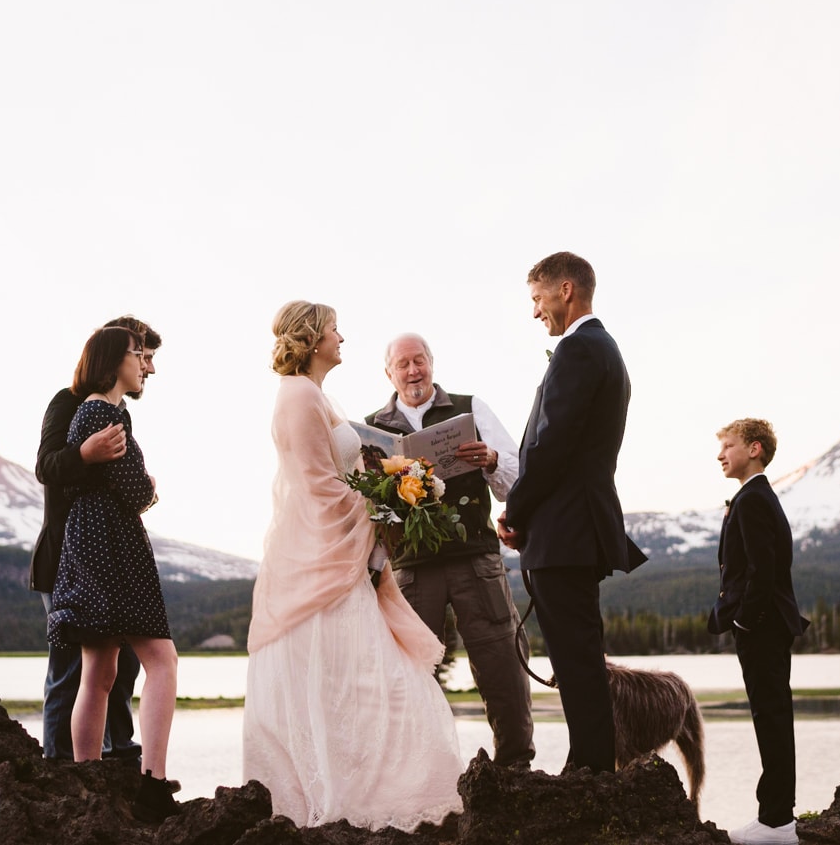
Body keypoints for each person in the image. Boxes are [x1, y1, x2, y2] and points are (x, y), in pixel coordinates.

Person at [243, 302, 463, 830]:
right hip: (323, 566)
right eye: (334, 329)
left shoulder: (313, 393)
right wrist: (385, 508)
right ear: (313, 338)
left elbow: (338, 476)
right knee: (368, 680)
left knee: (371, 681)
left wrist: (393, 489)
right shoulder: (298, 396)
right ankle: (358, 797)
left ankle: (383, 791)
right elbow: (319, 487)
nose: (342, 337)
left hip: (341, 560)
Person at [497, 251, 645, 774]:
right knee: (578, 659)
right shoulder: (602, 349)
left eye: (537, 299)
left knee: (576, 660)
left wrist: (516, 509)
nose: (535, 312)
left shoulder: (580, 349)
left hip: (566, 530)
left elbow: (550, 445)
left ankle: (592, 774)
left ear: (565, 290)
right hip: (573, 527)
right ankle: (587, 765)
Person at [365, 333, 534, 769]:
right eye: (402, 364)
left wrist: (492, 459)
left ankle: (515, 767)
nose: (412, 371)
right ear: (389, 373)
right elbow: (365, 510)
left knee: (500, 658)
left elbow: (518, 477)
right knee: (411, 673)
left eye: (419, 360)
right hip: (410, 569)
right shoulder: (370, 428)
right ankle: (422, 774)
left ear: (432, 363)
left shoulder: (471, 407)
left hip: (474, 558)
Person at [46, 325, 179, 822]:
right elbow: (136, 492)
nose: (142, 363)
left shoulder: (90, 411)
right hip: (114, 547)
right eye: (135, 354)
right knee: (162, 661)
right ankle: (154, 781)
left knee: (97, 673)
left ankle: (87, 778)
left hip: (86, 545)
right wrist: (148, 486)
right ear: (112, 362)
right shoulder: (104, 412)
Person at [31, 316, 161, 764]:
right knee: (70, 674)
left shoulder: (116, 412)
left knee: (118, 672)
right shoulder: (71, 403)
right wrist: (85, 456)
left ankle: (115, 765)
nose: (150, 368)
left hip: (110, 562)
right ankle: (63, 776)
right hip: (68, 559)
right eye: (143, 355)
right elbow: (47, 467)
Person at [708, 419, 809, 845]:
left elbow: (762, 570)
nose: (720, 455)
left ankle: (776, 823)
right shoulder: (758, 497)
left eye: (727, 446)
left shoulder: (752, 500)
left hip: (761, 627)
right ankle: (775, 817)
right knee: (772, 716)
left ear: (754, 449)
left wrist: (744, 620)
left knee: (769, 717)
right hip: (766, 625)